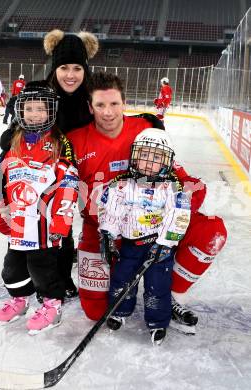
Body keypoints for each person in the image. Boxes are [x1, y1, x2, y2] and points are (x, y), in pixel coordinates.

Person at [68, 71, 227, 334]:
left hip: (151, 226)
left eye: (114, 104)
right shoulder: (74, 141)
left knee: (213, 232)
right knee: (95, 311)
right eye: (100, 105)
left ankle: (170, 293)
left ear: (125, 103)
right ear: (90, 107)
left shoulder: (143, 130)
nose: (108, 112)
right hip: (103, 228)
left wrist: (172, 208)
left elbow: (185, 181)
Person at [0, 81, 78, 334]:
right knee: (13, 265)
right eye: (29, 109)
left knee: (42, 266)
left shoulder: (60, 142)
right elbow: (0, 175)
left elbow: (69, 181)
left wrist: (61, 221)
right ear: (20, 111)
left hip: (43, 222)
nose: (35, 114)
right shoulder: (15, 140)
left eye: (41, 109)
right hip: (17, 221)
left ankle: (53, 305)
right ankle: (20, 299)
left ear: (52, 112)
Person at [0, 29, 100, 300]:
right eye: (63, 67)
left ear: (85, 69)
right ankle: (50, 279)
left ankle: (65, 274)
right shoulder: (42, 96)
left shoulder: (93, 99)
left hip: (81, 175)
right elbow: (13, 136)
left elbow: (114, 119)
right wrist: (13, 134)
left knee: (67, 228)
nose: (70, 74)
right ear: (54, 68)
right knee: (54, 231)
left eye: (77, 68)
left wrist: (148, 120)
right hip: (44, 181)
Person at [98, 128, 191, 345]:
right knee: (121, 280)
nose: (149, 162)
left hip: (157, 247)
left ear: (166, 161)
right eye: (144, 155)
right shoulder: (121, 184)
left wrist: (165, 244)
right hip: (130, 246)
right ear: (134, 157)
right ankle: (120, 312)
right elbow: (111, 211)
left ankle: (157, 321)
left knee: (157, 286)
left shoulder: (173, 187)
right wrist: (107, 234)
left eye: (156, 157)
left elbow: (178, 216)